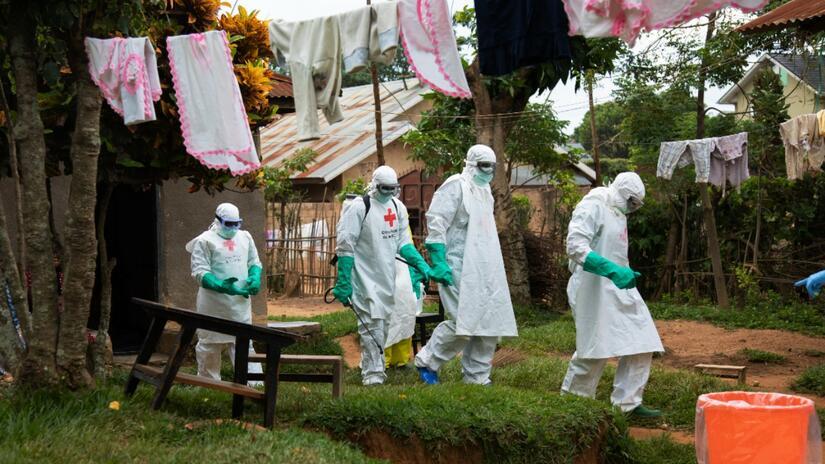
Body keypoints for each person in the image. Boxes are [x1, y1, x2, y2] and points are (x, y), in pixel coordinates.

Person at [414, 144, 518, 386]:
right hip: (456, 265)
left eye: (493, 167)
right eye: (484, 166)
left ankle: (477, 377)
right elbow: (437, 222)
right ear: (471, 164)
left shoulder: (485, 191)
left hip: (484, 267)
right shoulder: (456, 185)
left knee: (489, 321)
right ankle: (427, 362)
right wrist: (438, 261)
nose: (489, 171)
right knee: (464, 321)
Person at [561, 172, 663, 417]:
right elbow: (574, 246)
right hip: (591, 284)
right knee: (596, 345)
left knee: (643, 338)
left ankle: (627, 404)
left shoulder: (618, 212)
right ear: (620, 191)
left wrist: (623, 271)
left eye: (636, 205)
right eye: (631, 202)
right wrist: (611, 269)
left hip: (618, 285)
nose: (632, 209)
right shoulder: (594, 203)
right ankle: (575, 401)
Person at [333, 166, 432, 385]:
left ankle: (376, 368)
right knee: (371, 324)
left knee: (384, 323)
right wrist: (343, 281)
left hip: (387, 276)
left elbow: (403, 243)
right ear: (374, 185)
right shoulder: (360, 208)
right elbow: (346, 246)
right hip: (364, 277)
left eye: (392, 188)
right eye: (384, 188)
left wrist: (420, 264)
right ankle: (373, 375)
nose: (388, 192)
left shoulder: (397, 207)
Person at [186, 203, 264, 386]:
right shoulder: (205, 241)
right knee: (209, 344)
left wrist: (254, 277)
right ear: (218, 220)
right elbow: (199, 271)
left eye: (236, 223)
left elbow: (254, 261)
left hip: (240, 302)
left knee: (244, 343)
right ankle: (209, 385)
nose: (233, 228)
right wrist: (222, 285)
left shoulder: (245, 237)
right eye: (228, 224)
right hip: (213, 304)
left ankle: (255, 386)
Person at [384, 234, 428, 369]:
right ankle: (382, 362)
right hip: (383, 272)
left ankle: (400, 361)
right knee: (386, 320)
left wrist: (417, 269)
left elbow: (405, 243)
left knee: (405, 318)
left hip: (404, 276)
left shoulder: (401, 217)